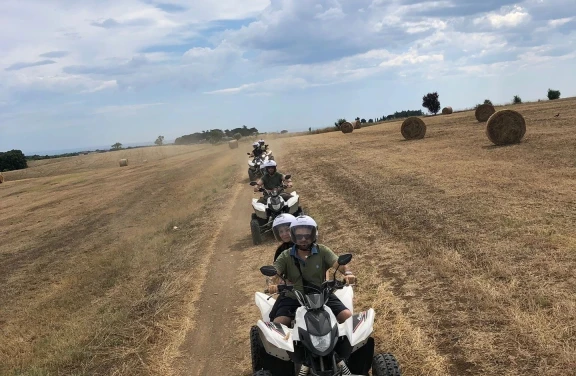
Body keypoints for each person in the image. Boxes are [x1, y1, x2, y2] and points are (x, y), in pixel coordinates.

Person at [267, 215, 356, 326]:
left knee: (347, 316)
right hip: (294, 297)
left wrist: (348, 274)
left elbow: (339, 264)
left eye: (307, 235)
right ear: (293, 236)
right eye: (299, 236)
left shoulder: (323, 251)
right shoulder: (285, 255)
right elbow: (274, 272)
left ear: (314, 234)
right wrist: (271, 283)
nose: (303, 239)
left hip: (322, 295)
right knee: (279, 324)